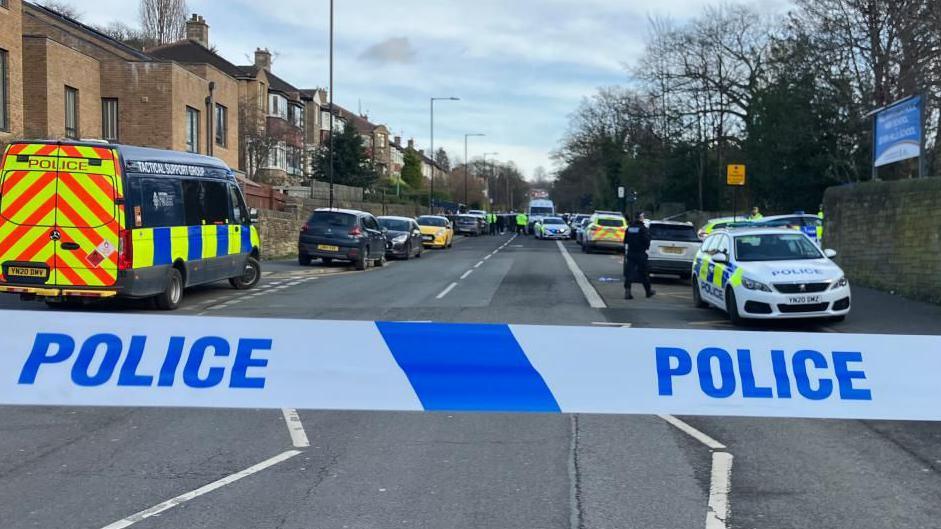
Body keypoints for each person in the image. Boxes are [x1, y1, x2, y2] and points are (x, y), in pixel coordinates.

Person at [623, 212, 655, 300]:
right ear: (640, 218)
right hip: (640, 254)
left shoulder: (629, 228)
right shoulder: (643, 228)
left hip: (631, 253)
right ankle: (648, 291)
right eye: (643, 216)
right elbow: (647, 241)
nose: (643, 218)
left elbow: (625, 240)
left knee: (629, 273)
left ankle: (627, 292)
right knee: (644, 273)